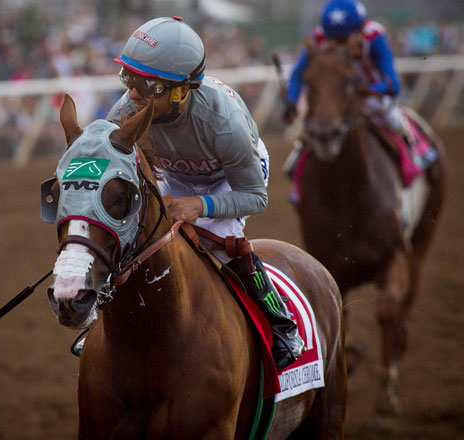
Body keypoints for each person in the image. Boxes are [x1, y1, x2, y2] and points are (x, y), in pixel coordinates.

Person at [107, 16, 304, 370]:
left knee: (223, 237)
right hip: (176, 172)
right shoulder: (125, 111)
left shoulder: (224, 124)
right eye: (129, 78)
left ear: (182, 90)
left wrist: (202, 205)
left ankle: (282, 323)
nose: (133, 93)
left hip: (230, 178)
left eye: (147, 85)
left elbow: (256, 198)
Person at [283, 0, 414, 156]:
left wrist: (368, 89)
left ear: (359, 31)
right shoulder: (318, 36)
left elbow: (394, 84)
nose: (339, 46)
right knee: (309, 131)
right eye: (334, 40)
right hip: (336, 97)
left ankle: (414, 157)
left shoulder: (374, 36)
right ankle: (296, 167)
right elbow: (298, 72)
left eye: (343, 41)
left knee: (394, 121)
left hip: (369, 97)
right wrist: (292, 101)